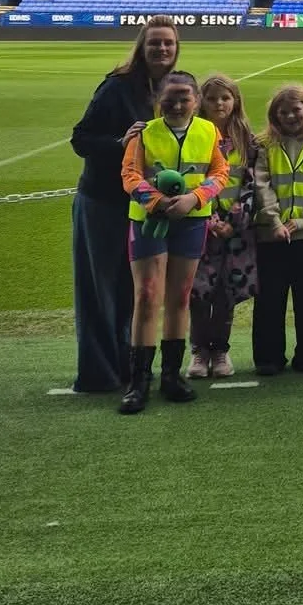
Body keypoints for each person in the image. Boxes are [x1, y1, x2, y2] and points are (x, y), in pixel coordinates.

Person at [68, 16, 180, 393]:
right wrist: (119, 143)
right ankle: (100, 375)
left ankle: (132, 370)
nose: (162, 49)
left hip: (148, 208)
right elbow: (81, 138)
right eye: (155, 43)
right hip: (104, 202)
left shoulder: (175, 87)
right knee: (101, 289)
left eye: (168, 43)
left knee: (137, 291)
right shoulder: (116, 88)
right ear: (142, 47)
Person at [117, 70, 230, 415]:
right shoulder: (143, 134)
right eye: (171, 98)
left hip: (191, 221)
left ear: (196, 101)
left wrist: (195, 199)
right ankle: (139, 381)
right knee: (148, 296)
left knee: (180, 297)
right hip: (149, 221)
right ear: (158, 100)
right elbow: (129, 175)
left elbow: (220, 172)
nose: (178, 104)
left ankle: (171, 375)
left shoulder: (209, 130)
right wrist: (157, 202)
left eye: (185, 97)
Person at [251, 84, 303, 375]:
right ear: (274, 114)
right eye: (283, 111)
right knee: (270, 298)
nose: (290, 116)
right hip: (270, 233)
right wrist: (274, 221)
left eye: (296, 110)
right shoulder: (263, 144)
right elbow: (261, 185)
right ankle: (268, 356)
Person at [187, 73, 259, 379]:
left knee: (225, 293)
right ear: (201, 102)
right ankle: (199, 351)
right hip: (200, 226)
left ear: (236, 101)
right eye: (213, 98)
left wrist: (234, 221)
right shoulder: (195, 135)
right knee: (198, 291)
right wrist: (210, 219)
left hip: (236, 231)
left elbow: (253, 183)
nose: (219, 103)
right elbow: (191, 179)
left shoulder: (247, 139)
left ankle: (220, 349)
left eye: (225, 98)